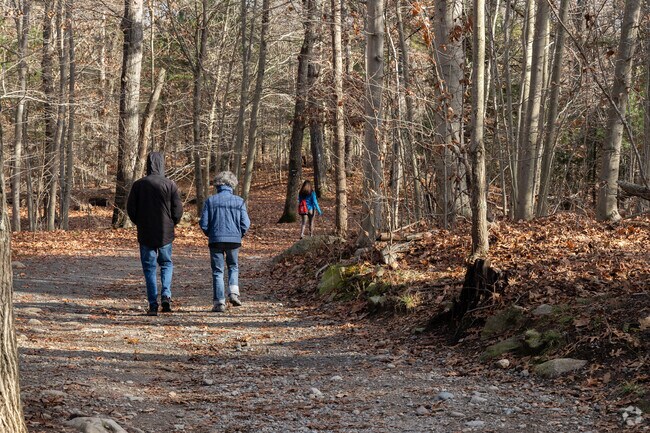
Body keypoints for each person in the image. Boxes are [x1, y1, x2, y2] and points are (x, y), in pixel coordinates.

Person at [127, 152, 183, 316]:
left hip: (146, 232)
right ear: (162, 164)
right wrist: (173, 222)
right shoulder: (170, 184)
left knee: (149, 268)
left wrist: (140, 222)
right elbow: (178, 209)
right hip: (165, 232)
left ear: (148, 165)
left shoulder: (138, 185)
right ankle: (166, 294)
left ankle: (153, 304)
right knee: (166, 264)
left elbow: (131, 209)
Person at [199, 171, 251, 313]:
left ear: (217, 185)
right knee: (233, 266)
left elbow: (203, 223)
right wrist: (239, 234)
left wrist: (211, 234)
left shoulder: (210, 201)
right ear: (232, 184)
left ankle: (219, 302)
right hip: (234, 240)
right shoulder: (239, 201)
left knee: (218, 271)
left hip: (215, 240)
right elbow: (245, 223)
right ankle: (233, 293)